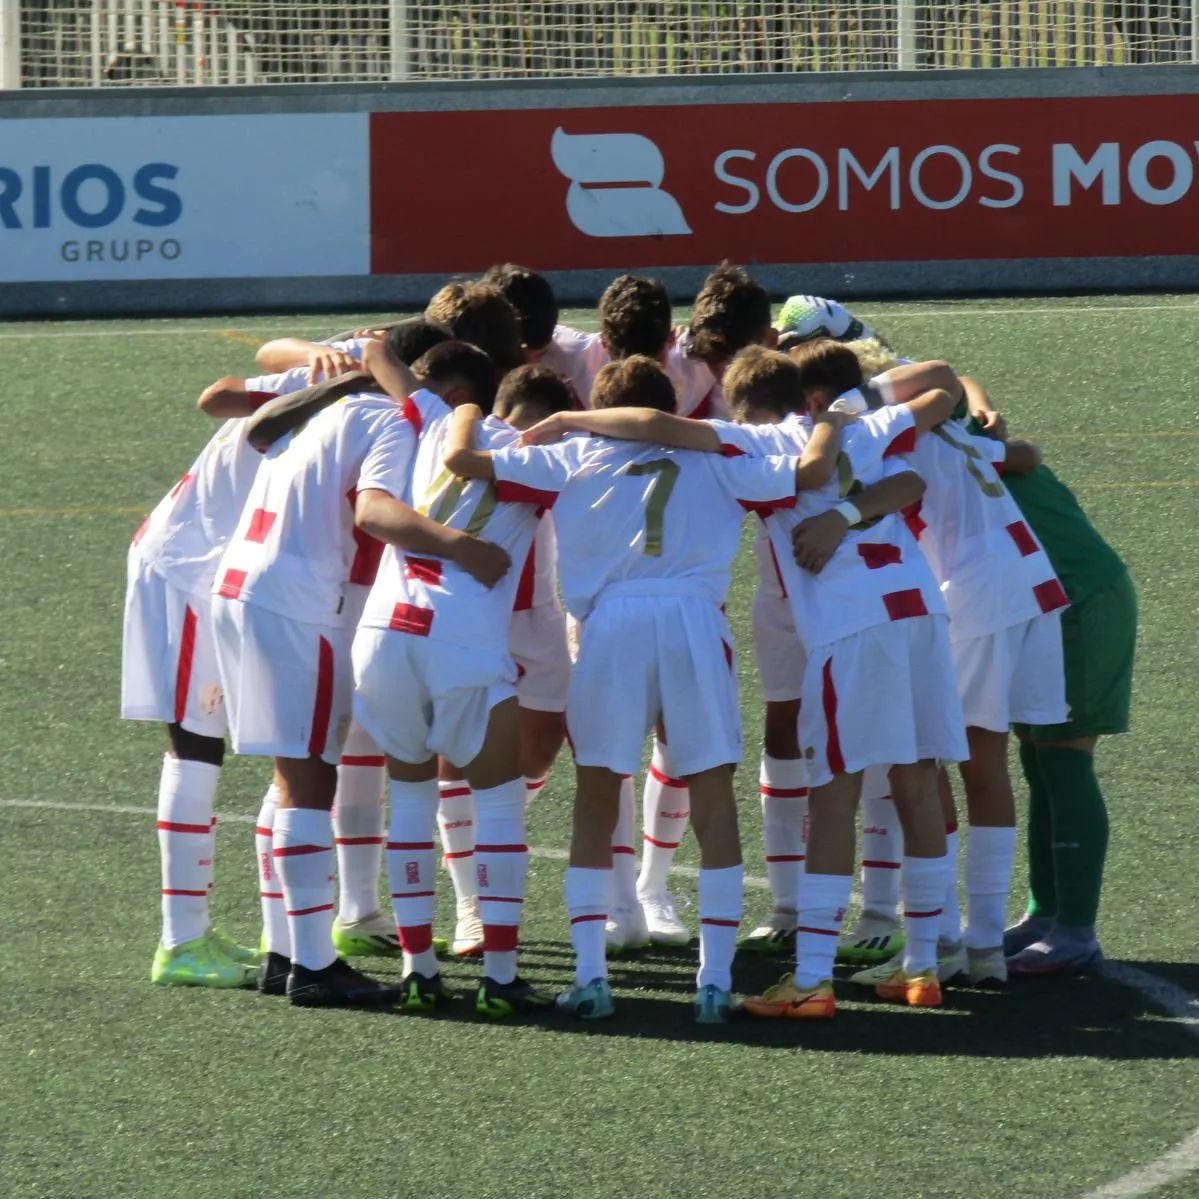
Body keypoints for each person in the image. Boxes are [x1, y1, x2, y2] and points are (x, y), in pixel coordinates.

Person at [443, 355, 843, 1023]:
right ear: (671, 407)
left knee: (598, 794)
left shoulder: (570, 454)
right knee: (712, 790)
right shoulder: (717, 454)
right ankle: (713, 981)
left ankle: (591, 975)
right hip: (692, 618)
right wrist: (832, 423)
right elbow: (805, 471)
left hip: (609, 626)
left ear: (600, 410)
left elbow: (469, 464)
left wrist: (461, 413)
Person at [210, 343, 508, 1008]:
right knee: (310, 777)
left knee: (294, 773)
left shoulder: (328, 410)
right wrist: (463, 546)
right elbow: (373, 512)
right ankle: (315, 965)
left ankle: (285, 947)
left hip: (248, 587)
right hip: (299, 601)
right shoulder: (388, 419)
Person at [834, 342, 1069, 989]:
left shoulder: (879, 427)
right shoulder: (946, 432)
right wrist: (983, 409)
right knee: (983, 762)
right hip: (1027, 587)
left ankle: (938, 938)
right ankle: (985, 948)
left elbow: (940, 376)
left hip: (974, 597)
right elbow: (1024, 453)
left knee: (920, 759)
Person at [351, 343, 574, 1016]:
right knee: (500, 804)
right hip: (460, 637)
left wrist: (460, 403)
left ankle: (419, 971)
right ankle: (500, 979)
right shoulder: (541, 459)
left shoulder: (427, 422)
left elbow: (380, 358)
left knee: (412, 798)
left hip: (383, 633)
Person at [968, 381, 1136, 974]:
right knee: (1037, 757)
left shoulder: (936, 437)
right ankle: (1046, 913)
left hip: (1080, 597)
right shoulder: (939, 428)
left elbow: (1015, 446)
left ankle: (1076, 930)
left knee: (1063, 755)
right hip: (1037, 603)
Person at [121, 378, 278, 989]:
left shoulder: (334, 375)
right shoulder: (332, 387)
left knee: (206, 743)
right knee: (197, 745)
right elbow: (223, 394)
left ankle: (193, 934)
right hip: (189, 569)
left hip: (205, 565)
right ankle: (182, 940)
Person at [432, 365, 577, 958]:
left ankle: (488, 835)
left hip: (535, 616)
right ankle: (470, 903)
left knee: (545, 741)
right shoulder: (489, 445)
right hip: (472, 615)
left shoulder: (473, 436)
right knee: (458, 751)